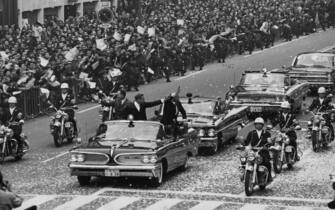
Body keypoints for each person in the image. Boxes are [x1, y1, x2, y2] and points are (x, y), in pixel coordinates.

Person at [243, 117, 273, 181]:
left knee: (267, 162)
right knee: (245, 161)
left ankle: (269, 176)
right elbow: (246, 142)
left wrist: (268, 145)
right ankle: (244, 174)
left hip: (263, 151)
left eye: (260, 124)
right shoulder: (251, 133)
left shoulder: (267, 133)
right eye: (257, 124)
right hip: (253, 151)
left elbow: (269, 142)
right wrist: (242, 144)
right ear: (255, 125)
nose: (258, 125)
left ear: (262, 125)